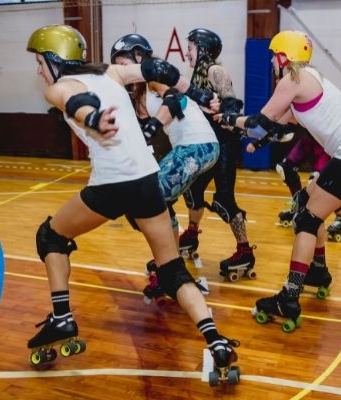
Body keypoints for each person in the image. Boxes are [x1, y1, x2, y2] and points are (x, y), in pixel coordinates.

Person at [23, 25, 239, 385]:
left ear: (54, 59)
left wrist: (92, 118)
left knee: (50, 236)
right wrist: (203, 95)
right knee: (172, 270)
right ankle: (215, 339)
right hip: (147, 182)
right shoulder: (111, 72)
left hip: (111, 186)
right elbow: (161, 71)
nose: (38, 70)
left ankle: (61, 317)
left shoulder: (58, 86)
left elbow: (74, 100)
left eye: (39, 62)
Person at [217, 31, 341, 331]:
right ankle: (317, 271)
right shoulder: (309, 80)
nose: (271, 63)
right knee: (308, 201)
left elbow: (259, 122)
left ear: (283, 57)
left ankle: (288, 298)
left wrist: (229, 120)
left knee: (306, 220)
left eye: (273, 57)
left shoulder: (292, 80)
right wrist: (240, 128)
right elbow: (276, 127)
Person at [109, 33, 222, 281]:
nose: (121, 70)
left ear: (139, 57)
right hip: (192, 146)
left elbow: (176, 99)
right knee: (159, 203)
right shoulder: (139, 92)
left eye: (124, 64)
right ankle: (170, 261)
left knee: (148, 200)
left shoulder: (153, 78)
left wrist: (154, 124)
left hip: (197, 145)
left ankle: (169, 265)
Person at [176, 28, 258, 280]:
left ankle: (244, 250)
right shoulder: (197, 75)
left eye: (190, 48)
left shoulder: (215, 70)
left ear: (202, 50)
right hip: (206, 142)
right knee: (192, 190)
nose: (186, 52)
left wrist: (220, 106)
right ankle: (191, 234)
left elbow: (232, 104)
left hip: (223, 144)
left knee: (224, 200)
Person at [259, 133, 341, 242]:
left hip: (324, 140)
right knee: (285, 168)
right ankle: (300, 207)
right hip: (308, 137)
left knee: (318, 180)